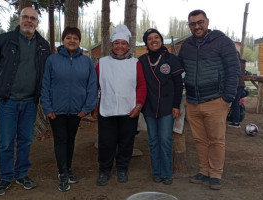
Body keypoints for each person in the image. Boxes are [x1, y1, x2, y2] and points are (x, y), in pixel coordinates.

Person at [0, 7, 51, 196]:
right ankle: (5, 176)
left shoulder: (42, 45)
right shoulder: (4, 41)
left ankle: (21, 174)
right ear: (19, 19)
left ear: (37, 22)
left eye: (33, 18)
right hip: (9, 101)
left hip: (30, 102)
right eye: (26, 17)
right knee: (6, 142)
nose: (29, 21)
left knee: (26, 140)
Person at [177, 9, 240, 190]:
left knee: (216, 139)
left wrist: (227, 98)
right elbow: (178, 68)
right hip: (193, 101)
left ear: (207, 22)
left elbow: (233, 70)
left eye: (200, 22)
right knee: (200, 140)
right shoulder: (186, 46)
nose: (197, 26)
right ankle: (204, 170)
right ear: (189, 26)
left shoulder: (222, 42)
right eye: (193, 23)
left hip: (215, 100)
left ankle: (216, 174)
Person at [41, 27, 97, 192]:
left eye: (75, 38)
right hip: (56, 110)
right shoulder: (53, 60)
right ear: (63, 40)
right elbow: (45, 85)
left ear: (79, 41)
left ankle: (68, 168)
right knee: (60, 139)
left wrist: (86, 108)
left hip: (76, 110)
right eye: (68, 38)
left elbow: (92, 86)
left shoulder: (86, 61)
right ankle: (63, 173)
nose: (72, 41)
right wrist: (47, 107)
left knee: (71, 139)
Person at [91, 24, 147, 186]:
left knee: (126, 142)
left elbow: (142, 85)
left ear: (128, 46)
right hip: (107, 110)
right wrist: (94, 106)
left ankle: (122, 168)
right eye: (117, 43)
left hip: (129, 110)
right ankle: (104, 170)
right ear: (112, 45)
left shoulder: (135, 63)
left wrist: (139, 105)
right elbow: (95, 86)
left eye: (123, 43)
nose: (120, 46)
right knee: (106, 142)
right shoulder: (102, 63)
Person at [138, 28, 183, 185]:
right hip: (149, 107)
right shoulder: (142, 60)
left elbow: (178, 84)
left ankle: (167, 172)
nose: (153, 40)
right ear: (146, 43)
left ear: (161, 40)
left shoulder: (171, 59)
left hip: (167, 107)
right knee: (153, 140)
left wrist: (176, 105)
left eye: (156, 37)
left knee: (165, 140)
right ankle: (156, 171)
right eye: (149, 39)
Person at [228, 53, 246, 128]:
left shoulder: (236, 64)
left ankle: (236, 122)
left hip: (237, 85)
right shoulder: (241, 63)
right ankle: (235, 120)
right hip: (240, 85)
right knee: (235, 103)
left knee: (235, 103)